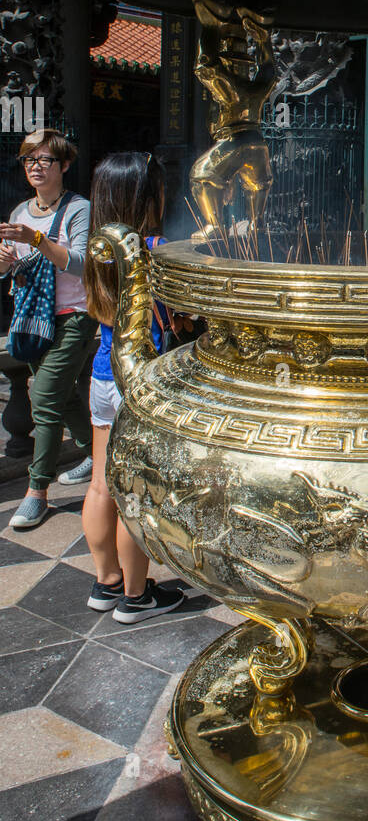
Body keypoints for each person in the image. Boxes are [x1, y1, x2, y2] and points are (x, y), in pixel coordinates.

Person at [81, 152, 185, 622]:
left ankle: (106, 583)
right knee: (134, 493)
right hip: (137, 381)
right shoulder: (152, 248)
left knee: (102, 484)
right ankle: (137, 596)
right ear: (146, 196)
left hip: (102, 376)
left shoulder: (97, 248)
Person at [0, 130, 97, 529]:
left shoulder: (79, 208)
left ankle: (37, 490)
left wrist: (37, 239)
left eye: (45, 161)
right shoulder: (21, 211)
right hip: (34, 317)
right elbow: (13, 271)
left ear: (65, 166)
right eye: (29, 161)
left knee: (42, 396)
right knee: (61, 395)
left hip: (75, 315)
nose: (36, 167)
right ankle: (96, 450)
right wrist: (6, 260)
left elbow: (79, 263)